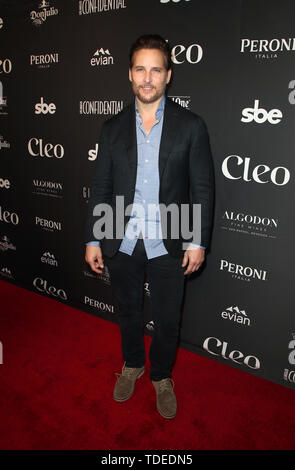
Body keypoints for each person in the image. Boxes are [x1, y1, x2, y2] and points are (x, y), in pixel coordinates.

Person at [85, 34, 214, 419]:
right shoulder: (111, 129)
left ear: (168, 75)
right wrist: (94, 238)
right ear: (129, 74)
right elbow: (102, 187)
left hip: (170, 236)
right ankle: (132, 364)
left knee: (169, 319)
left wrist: (197, 240)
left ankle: (160, 375)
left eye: (155, 69)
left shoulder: (191, 126)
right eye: (140, 68)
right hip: (119, 235)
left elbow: (202, 187)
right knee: (127, 311)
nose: (147, 77)